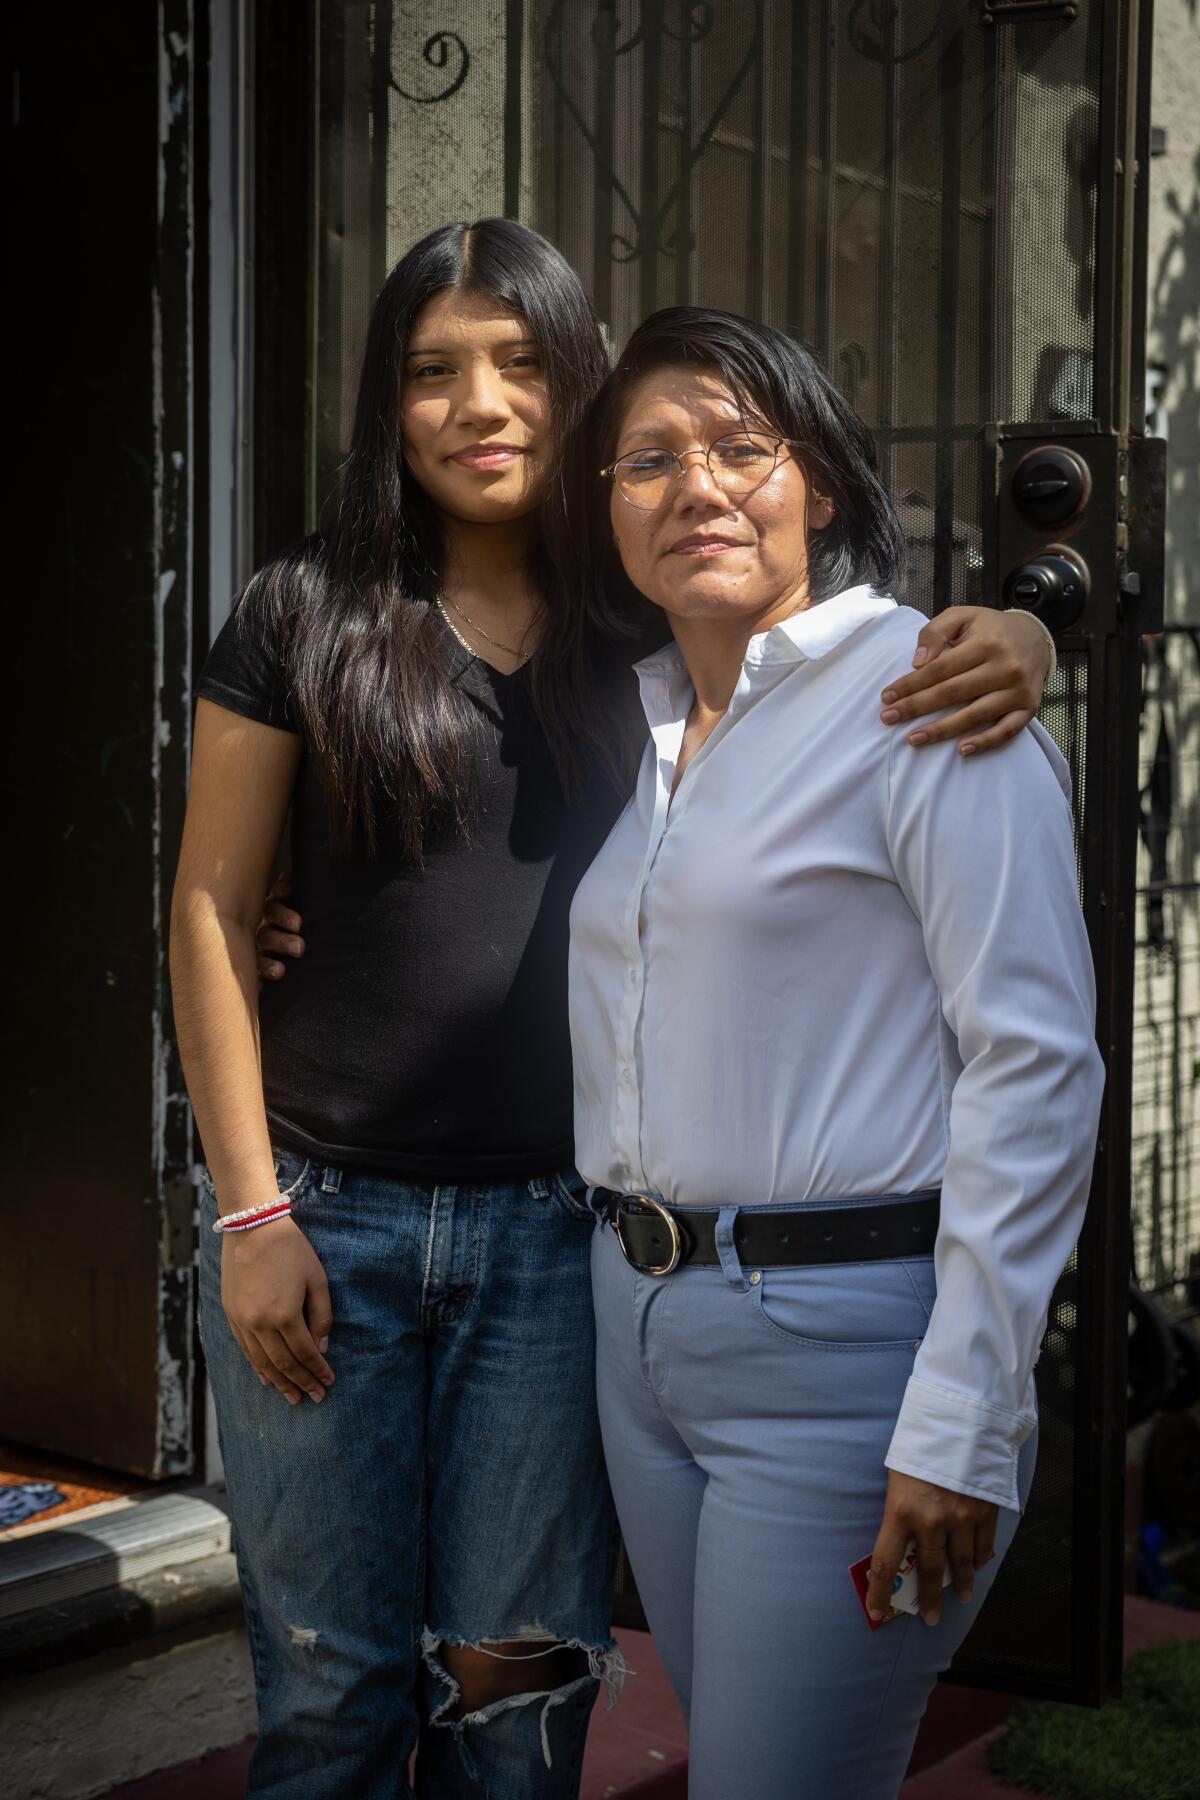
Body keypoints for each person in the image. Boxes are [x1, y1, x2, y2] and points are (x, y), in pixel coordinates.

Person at [171, 218, 1055, 1800]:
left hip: (549, 1247)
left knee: (515, 1694)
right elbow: (213, 907)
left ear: (573, 403)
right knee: (329, 1687)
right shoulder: (313, 610)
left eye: (520, 364)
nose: (478, 403)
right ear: (387, 403)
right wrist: (248, 1217)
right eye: (431, 372)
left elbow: (824, 665)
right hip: (330, 1227)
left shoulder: (640, 636)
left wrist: (1029, 623)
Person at [566, 307, 1105, 1800]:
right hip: (641, 1339)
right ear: (604, 508)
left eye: (743, 446)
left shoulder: (927, 699)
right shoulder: (645, 728)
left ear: (821, 482)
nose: (698, 485)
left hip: (841, 1357)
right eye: (649, 459)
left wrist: (964, 1418)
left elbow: (1038, 1071)